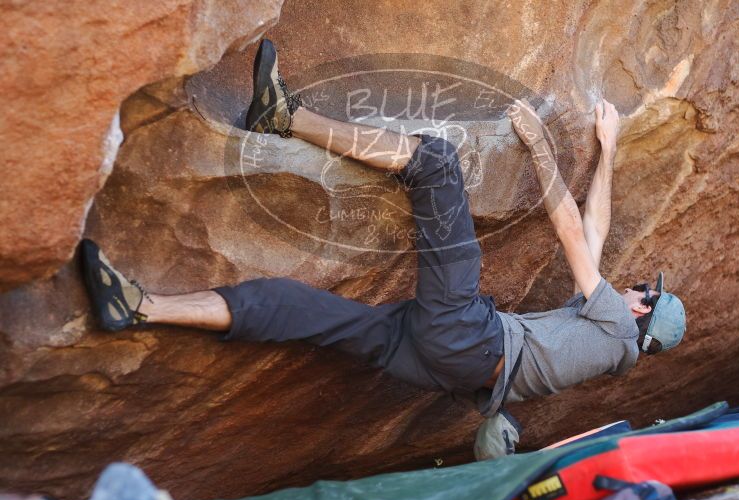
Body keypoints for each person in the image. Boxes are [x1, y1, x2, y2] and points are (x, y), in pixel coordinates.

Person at [79, 39, 686, 460]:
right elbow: (597, 233)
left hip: (467, 338)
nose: (634, 284)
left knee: (438, 164)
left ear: (642, 308)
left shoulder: (614, 328)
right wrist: (608, 150)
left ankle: (285, 117)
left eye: (643, 288)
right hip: (440, 365)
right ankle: (139, 307)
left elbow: (577, 238)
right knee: (299, 312)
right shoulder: (609, 342)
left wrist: (540, 150)